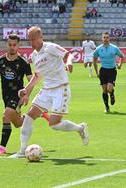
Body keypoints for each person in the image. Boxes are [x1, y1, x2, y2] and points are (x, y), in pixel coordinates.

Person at [9, 26, 89, 158]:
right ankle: (22, 151)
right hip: (46, 90)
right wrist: (26, 89)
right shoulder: (34, 55)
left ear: (41, 38)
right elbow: (37, 76)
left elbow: (68, 54)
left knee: (54, 124)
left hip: (60, 89)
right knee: (28, 117)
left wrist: (69, 63)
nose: (32, 42)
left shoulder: (50, 47)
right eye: (30, 40)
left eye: (34, 39)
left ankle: (80, 128)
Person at [0, 34, 49, 155]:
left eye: (14, 45)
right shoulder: (0, 60)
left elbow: (31, 79)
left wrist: (26, 95)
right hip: (6, 95)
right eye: (10, 45)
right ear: (7, 45)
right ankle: (38, 114)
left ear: (18, 45)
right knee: (18, 123)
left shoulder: (23, 62)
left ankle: (2, 147)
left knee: (6, 115)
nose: (12, 47)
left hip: (18, 95)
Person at [93, 32, 125, 113]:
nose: (105, 39)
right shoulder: (98, 49)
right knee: (104, 90)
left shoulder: (114, 48)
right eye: (104, 37)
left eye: (107, 37)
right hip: (103, 70)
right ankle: (107, 107)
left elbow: (122, 56)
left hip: (112, 70)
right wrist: (97, 72)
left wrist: (120, 65)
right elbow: (94, 61)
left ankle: (112, 93)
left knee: (109, 89)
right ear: (102, 39)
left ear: (109, 39)